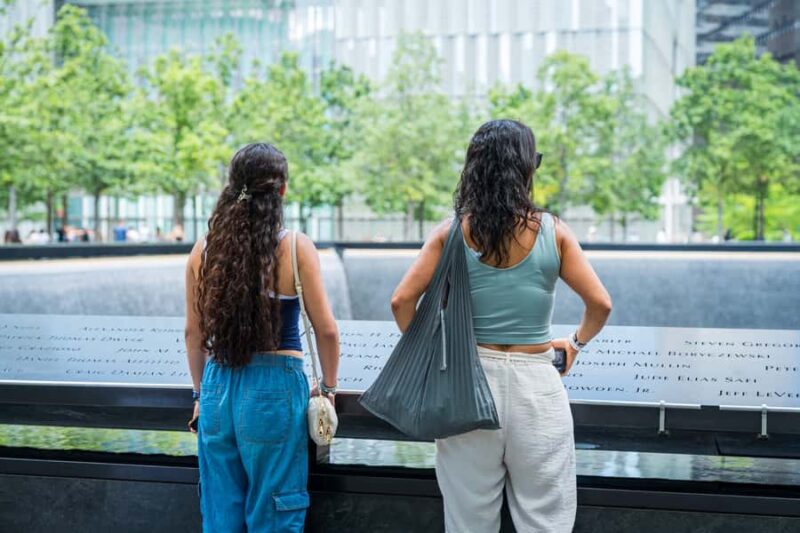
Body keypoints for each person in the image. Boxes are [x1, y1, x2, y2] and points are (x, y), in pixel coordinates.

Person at [390, 120, 612, 532]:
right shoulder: (554, 232)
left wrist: (440, 353)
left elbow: (401, 301)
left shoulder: (451, 232)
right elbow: (600, 304)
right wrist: (576, 343)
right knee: (545, 521)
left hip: (468, 383)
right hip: (537, 389)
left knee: (468, 522)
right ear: (527, 169)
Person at [184, 143, 340, 531]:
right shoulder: (294, 247)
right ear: (282, 190)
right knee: (274, 510)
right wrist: (328, 389)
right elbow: (327, 330)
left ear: (231, 186)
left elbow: (193, 332)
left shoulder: (205, 250)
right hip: (274, 389)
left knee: (221, 510)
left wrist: (200, 395)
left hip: (218, 387)